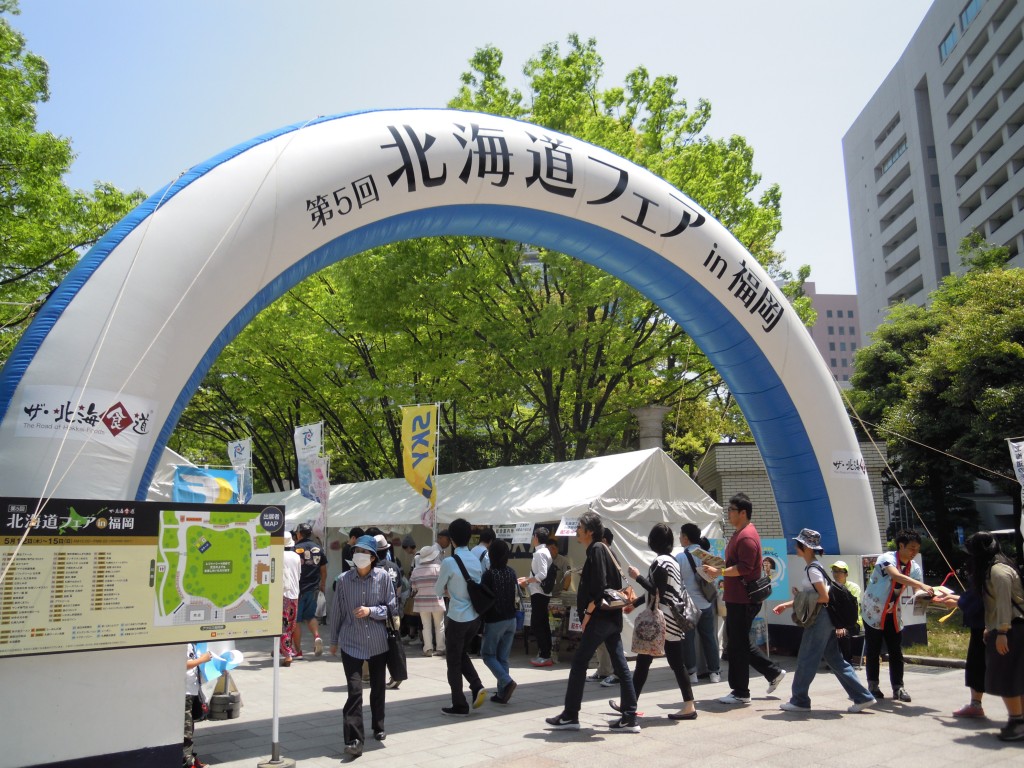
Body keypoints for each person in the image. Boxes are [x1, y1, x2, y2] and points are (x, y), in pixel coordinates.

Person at [545, 511, 640, 733]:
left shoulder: (597, 549)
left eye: (579, 527)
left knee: (579, 663)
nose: (577, 530)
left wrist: (586, 616)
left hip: (600, 619)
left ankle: (570, 715)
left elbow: (599, 589)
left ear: (589, 531)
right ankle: (630, 716)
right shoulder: (605, 549)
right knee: (620, 665)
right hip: (611, 619)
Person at [772, 529, 876, 713]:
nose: (795, 547)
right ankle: (863, 697)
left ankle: (800, 700)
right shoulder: (815, 567)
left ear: (804, 547)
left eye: (797, 544)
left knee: (806, 657)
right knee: (835, 660)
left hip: (820, 619)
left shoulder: (812, 569)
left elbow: (824, 597)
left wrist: (798, 600)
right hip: (826, 618)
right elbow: (813, 596)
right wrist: (789, 604)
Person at [702, 493, 786, 705]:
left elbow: (744, 568)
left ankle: (742, 691)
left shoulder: (747, 537)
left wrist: (719, 570)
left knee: (738, 645)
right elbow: (735, 563)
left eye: (731, 509)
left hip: (743, 599)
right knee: (738, 643)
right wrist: (719, 565)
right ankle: (769, 674)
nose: (728, 513)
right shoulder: (740, 533)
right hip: (737, 598)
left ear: (743, 513)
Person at [328, 534, 397, 756]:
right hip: (351, 642)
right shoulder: (344, 580)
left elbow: (391, 609)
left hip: (378, 642)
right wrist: (333, 641)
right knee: (354, 691)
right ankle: (354, 740)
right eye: (357, 551)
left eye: (365, 552)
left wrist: (371, 611)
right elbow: (337, 611)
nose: (360, 556)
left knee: (377, 688)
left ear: (373, 557)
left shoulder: (384, 578)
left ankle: (379, 725)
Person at [620, 523, 697, 721]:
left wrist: (636, 577)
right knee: (673, 663)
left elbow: (655, 591)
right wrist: (635, 604)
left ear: (653, 541)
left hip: (661, 621)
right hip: (671, 619)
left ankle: (629, 706)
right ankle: (689, 705)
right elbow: (656, 589)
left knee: (645, 662)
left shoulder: (660, 562)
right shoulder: (671, 561)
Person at [861, 529, 934, 702]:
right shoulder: (886, 558)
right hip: (873, 610)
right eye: (911, 548)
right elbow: (896, 576)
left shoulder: (913, 567)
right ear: (901, 546)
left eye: (917, 548)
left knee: (896, 650)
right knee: (873, 650)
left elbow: (917, 590)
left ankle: (898, 687)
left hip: (893, 612)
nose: (914, 552)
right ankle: (873, 686)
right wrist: (920, 585)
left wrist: (927, 595)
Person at [965, 531, 1024, 741]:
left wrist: (1001, 631)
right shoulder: (999, 567)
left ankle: (1017, 722)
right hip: (1009, 628)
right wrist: (991, 627)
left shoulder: (997, 572)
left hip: (1012, 630)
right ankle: (1019, 720)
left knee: (1007, 677)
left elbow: (1003, 604)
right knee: (1015, 677)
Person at [434, 517, 487, 716]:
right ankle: (476, 686)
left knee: (453, 661)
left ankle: (459, 703)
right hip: (475, 616)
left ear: (452, 539)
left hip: (457, 616)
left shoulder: (449, 561)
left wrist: (449, 589)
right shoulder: (475, 558)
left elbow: (437, 590)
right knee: (461, 653)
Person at [677, 522, 721, 684]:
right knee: (709, 638)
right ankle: (714, 672)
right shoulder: (707, 555)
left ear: (686, 539)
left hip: (688, 605)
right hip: (706, 603)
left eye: (681, 536)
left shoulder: (680, 557)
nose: (680, 539)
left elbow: (677, 581)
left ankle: (692, 673)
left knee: (687, 640)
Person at [480, 539, 519, 704]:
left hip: (495, 620)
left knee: (488, 655)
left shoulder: (489, 574)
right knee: (503, 657)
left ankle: (507, 681)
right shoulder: (512, 572)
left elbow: (483, 597)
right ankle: (503, 693)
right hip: (512, 619)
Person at [586, 529, 619, 686]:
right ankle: (604, 670)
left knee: (608, 642)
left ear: (604, 540)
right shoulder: (607, 553)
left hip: (606, 605)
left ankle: (614, 672)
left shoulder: (604, 553)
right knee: (603, 643)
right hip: (607, 605)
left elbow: (602, 581)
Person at [519, 526, 554, 667]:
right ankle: (545, 653)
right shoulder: (544, 551)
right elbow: (538, 573)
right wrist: (527, 578)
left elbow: (542, 574)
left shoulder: (540, 553)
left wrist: (527, 581)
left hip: (539, 592)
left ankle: (545, 655)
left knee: (538, 624)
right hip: (541, 592)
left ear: (536, 537)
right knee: (542, 623)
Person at [293, 522, 327, 658]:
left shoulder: (295, 549)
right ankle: (317, 636)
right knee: (310, 616)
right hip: (313, 588)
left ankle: (298, 651)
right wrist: (322, 585)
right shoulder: (318, 548)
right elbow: (323, 570)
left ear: (299, 533)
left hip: (298, 590)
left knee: (296, 621)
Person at [411, 544, 446, 657]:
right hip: (437, 600)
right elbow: (444, 584)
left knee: (425, 625)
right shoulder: (438, 568)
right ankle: (440, 648)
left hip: (422, 602)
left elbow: (414, 588)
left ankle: (428, 649)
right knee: (439, 625)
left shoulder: (416, 570)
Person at [830, 560, 863, 665]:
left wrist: (841, 627)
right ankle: (832, 660)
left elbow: (850, 608)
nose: (836, 573)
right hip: (836, 622)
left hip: (853, 622)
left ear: (846, 574)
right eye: (834, 571)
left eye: (840, 571)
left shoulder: (853, 587)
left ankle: (847, 662)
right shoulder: (829, 587)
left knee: (843, 634)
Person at [185, 643, 213, 768]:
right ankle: (187, 762)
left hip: (192, 689)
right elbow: (183, 664)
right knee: (186, 730)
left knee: (190, 727)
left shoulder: (193, 643)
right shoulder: (183, 642)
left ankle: (190, 757)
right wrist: (203, 659)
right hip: (184, 691)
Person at [280, 531, 301, 667]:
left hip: (282, 593)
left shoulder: (279, 555)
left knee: (282, 625)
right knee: (291, 624)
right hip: (295, 593)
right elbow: (299, 574)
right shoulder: (296, 556)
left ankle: (287, 654)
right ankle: (283, 649)